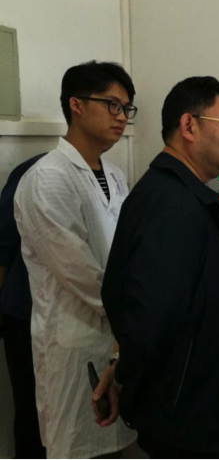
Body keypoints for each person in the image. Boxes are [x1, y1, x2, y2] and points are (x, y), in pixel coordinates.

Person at [102, 76, 219, 458]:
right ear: (189, 126)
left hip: (191, 399)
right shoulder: (174, 207)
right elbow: (150, 319)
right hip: (185, 412)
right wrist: (125, 377)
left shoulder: (177, 194)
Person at [13, 61, 138, 459]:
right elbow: (78, 271)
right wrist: (136, 310)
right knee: (77, 447)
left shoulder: (115, 175)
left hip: (116, 339)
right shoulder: (47, 178)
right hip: (74, 342)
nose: (122, 117)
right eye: (113, 105)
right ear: (76, 105)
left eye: (127, 108)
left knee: (116, 445)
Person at [0, 154, 47, 460]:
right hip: (26, 317)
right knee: (32, 415)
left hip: (82, 320)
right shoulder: (33, 172)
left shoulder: (113, 177)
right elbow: (2, 247)